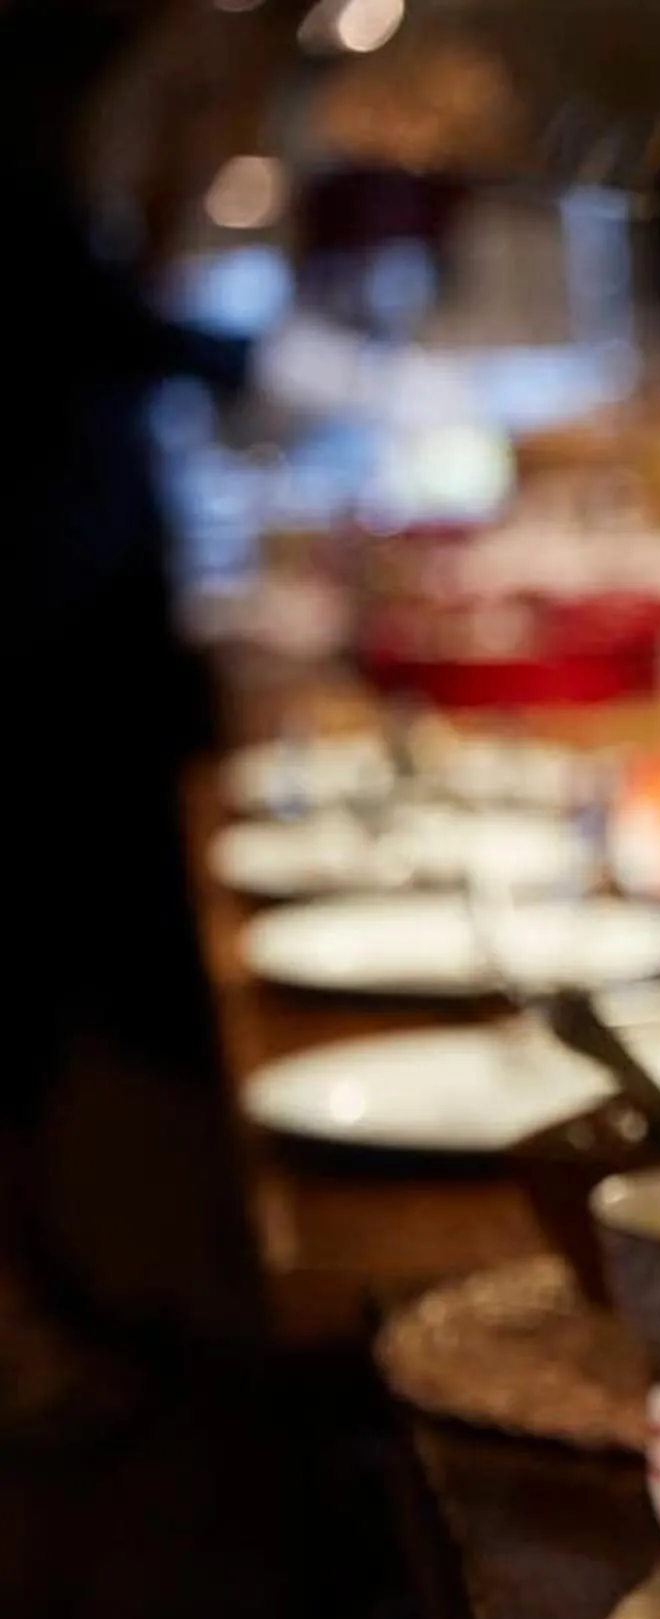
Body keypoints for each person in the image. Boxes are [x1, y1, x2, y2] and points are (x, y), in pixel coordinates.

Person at [0, 0, 262, 1430]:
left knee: (72, 998)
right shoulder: (24, 198)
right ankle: (58, 1320)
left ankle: (91, 1293)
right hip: (45, 639)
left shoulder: (51, 183)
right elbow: (111, 331)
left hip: (73, 624)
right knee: (53, 997)